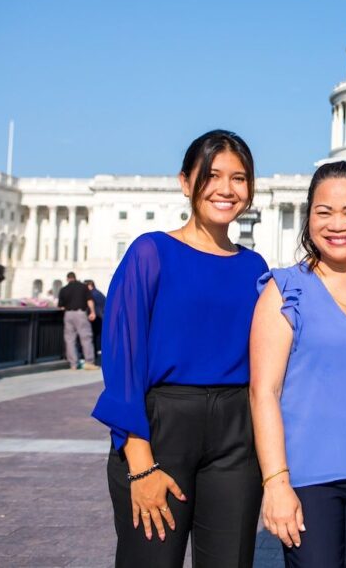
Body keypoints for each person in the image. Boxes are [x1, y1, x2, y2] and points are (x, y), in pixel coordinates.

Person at [92, 130, 267, 568]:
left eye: (239, 178)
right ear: (186, 182)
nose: (226, 189)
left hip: (236, 436)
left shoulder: (255, 267)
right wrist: (141, 464)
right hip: (162, 428)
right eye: (212, 175)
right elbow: (123, 362)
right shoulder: (151, 252)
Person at [250, 161, 346, 568]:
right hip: (306, 475)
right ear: (308, 219)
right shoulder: (284, 288)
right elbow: (263, 391)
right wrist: (276, 482)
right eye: (324, 212)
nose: (338, 224)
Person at [58, 271, 97, 370]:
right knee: (86, 338)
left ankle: (73, 364)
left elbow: (61, 306)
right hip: (80, 314)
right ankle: (89, 362)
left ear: (67, 279)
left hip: (68, 314)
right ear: (75, 278)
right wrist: (92, 312)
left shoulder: (63, 289)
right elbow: (89, 300)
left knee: (70, 340)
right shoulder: (83, 287)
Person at [85, 279, 107, 358]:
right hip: (101, 316)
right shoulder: (99, 293)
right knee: (99, 335)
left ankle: (95, 352)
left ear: (89, 286)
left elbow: (94, 306)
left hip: (96, 317)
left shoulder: (92, 294)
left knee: (94, 335)